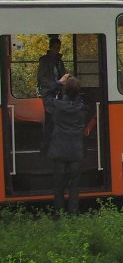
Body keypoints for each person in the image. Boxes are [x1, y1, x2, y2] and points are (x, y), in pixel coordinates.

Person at [45, 76, 87, 215]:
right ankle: (73, 213)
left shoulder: (55, 105)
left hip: (59, 149)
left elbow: (45, 96)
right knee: (74, 184)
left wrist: (58, 83)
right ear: (78, 92)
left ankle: (59, 213)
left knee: (59, 184)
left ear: (65, 90)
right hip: (75, 150)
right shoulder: (82, 108)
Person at [37, 37, 69, 154]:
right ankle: (46, 147)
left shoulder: (59, 61)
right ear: (50, 47)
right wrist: (58, 83)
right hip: (49, 94)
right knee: (51, 120)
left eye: (59, 48)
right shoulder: (44, 61)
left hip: (59, 93)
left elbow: (63, 76)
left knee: (57, 120)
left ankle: (54, 147)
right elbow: (41, 78)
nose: (57, 50)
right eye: (55, 48)